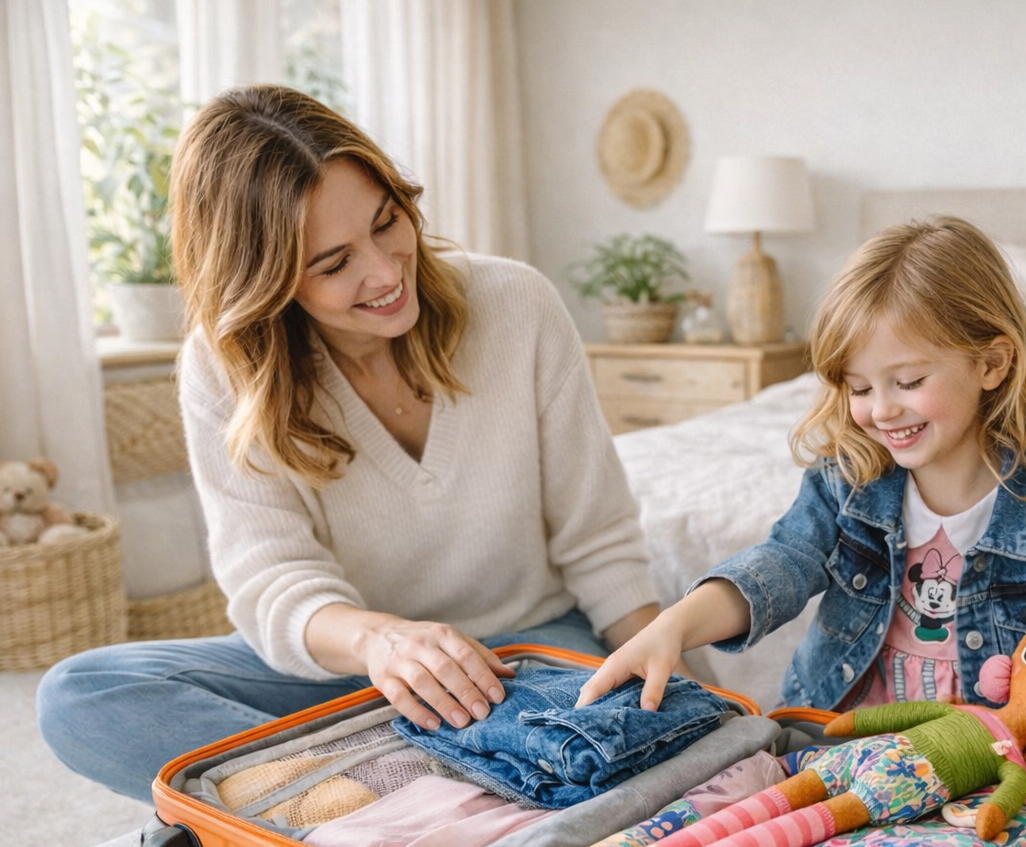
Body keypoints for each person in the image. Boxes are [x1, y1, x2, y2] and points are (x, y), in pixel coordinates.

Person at [37, 85, 659, 803]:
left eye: (388, 222)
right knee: (81, 694)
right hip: (349, 669)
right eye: (334, 264)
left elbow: (601, 539)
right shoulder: (227, 364)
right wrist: (382, 644)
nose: (387, 272)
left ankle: (347, 798)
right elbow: (274, 582)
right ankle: (408, 789)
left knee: (596, 735)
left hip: (526, 654)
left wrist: (681, 690)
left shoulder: (516, 304)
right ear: (266, 281)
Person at [577, 215, 1026, 780]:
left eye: (909, 381)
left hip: (993, 758)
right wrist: (675, 627)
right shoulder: (847, 480)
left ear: (992, 364)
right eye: (859, 387)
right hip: (848, 741)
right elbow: (783, 563)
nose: (881, 410)